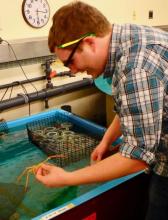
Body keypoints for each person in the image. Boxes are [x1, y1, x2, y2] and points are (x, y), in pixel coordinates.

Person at [35, 1, 168, 219]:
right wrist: (106, 140)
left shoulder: (135, 67)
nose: (74, 71)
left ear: (88, 42)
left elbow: (137, 157)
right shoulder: (127, 38)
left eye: (70, 62)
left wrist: (67, 178)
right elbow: (133, 108)